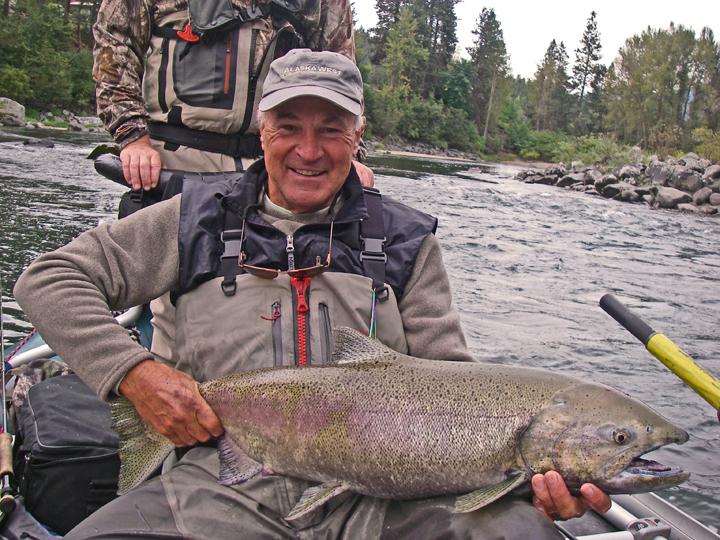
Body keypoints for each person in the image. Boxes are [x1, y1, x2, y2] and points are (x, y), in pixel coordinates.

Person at [15, 49, 610, 540]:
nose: (308, 149)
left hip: (388, 497)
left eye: (330, 129)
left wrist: (529, 472)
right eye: (290, 128)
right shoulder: (189, 219)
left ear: (358, 137)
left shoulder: (405, 240)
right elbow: (47, 281)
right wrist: (134, 372)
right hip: (226, 479)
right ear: (263, 131)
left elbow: (454, 380)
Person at [93, 0, 375, 370]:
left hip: (276, 154)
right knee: (179, 293)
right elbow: (115, 40)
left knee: (276, 283)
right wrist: (132, 135)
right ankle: (170, 388)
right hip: (180, 157)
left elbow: (340, 67)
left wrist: (354, 156)